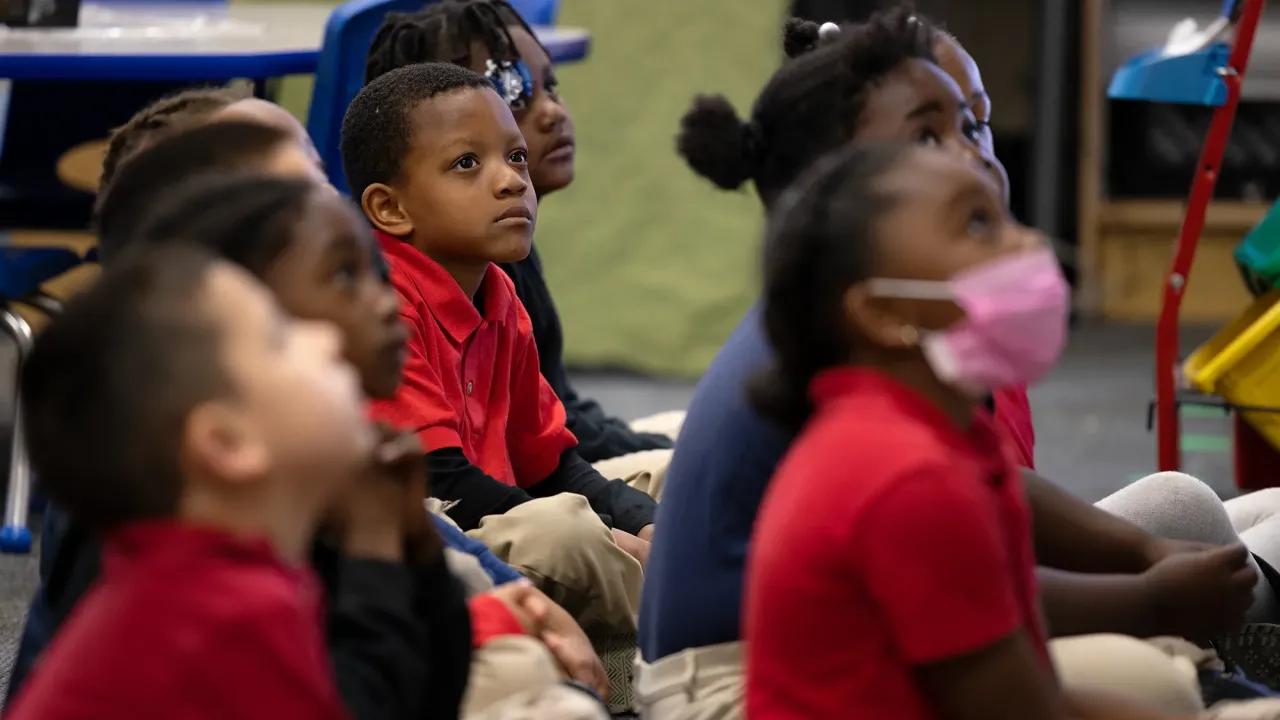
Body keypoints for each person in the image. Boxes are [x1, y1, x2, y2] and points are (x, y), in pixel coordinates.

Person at [637, 11, 1274, 719]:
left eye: (975, 125)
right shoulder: (858, 398)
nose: (977, 157)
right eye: (928, 137)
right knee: (1154, 679)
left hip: (901, 617)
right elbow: (975, 599)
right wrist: (1148, 599)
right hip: (734, 677)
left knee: (1179, 512)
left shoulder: (915, 355)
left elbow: (1000, 511)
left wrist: (1150, 559)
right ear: (840, 189)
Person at [339, 62, 657, 645]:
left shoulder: (498, 291)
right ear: (390, 209)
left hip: (509, 514)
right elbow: (443, 481)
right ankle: (697, 637)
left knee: (663, 483)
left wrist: (642, 519)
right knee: (566, 531)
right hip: (440, 547)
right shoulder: (382, 302)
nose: (513, 181)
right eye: (467, 163)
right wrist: (616, 536)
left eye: (514, 157)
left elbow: (550, 462)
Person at [4, 244, 380, 719]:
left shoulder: (205, 577)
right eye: (281, 338)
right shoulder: (235, 614)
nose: (326, 337)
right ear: (227, 442)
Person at [363, 0, 682, 494]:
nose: (552, 112)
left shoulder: (503, 265)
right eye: (512, 92)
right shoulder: (431, 278)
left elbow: (554, 432)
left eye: (549, 87)